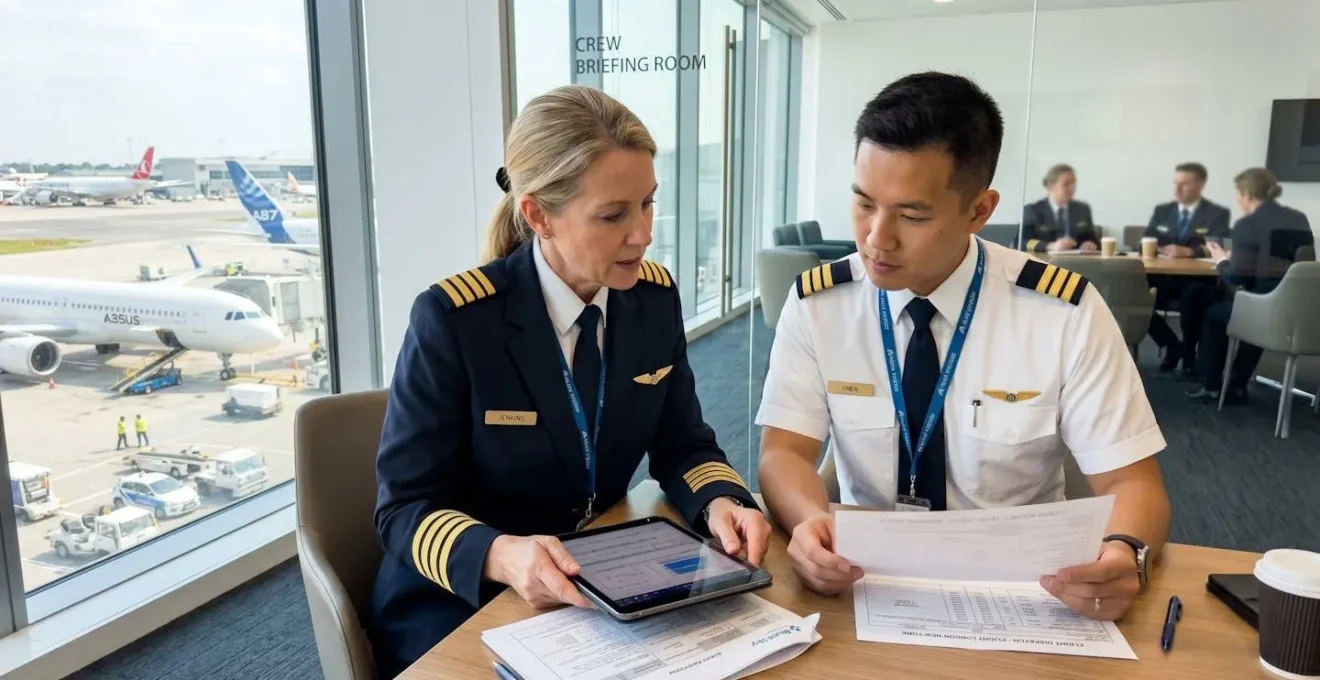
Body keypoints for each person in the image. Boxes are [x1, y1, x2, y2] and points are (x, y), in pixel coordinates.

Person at [369, 85, 771, 677]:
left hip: (604, 581)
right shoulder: (456, 321)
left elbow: (683, 444)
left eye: (648, 204)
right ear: (538, 215)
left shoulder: (651, 300)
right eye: (613, 215)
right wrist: (504, 556)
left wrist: (722, 501)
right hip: (465, 600)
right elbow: (404, 509)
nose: (643, 233)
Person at [756, 72, 1170, 622]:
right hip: (863, 585)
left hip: (1026, 593)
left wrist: (1124, 552)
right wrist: (809, 521)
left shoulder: (1061, 312)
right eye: (863, 204)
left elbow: (1132, 482)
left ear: (979, 210)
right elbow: (784, 451)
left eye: (911, 214)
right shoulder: (820, 304)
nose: (877, 237)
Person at [1187, 168, 1313, 405]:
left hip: (1266, 311)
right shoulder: (1298, 219)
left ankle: (1212, 385)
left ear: (1247, 194)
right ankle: (1237, 383)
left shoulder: (1248, 223)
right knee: (1252, 304)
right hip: (1299, 313)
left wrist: (1221, 260)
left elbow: (1235, 278)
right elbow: (1291, 263)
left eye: (1237, 194)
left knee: (1216, 313)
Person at [1144, 163, 1232, 377]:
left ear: (1200, 185)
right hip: (1163, 277)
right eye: (1176, 183)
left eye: (1184, 184)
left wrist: (1190, 251)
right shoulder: (1163, 211)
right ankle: (1173, 345)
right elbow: (1145, 241)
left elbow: (1219, 246)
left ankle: (1191, 357)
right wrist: (1153, 247)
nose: (1177, 189)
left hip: (1196, 279)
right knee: (1134, 292)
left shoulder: (1216, 213)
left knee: (1194, 295)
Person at [1022, 164, 1099, 253]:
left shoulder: (1082, 209)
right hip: (1045, 262)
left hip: (1078, 263)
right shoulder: (1033, 210)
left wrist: (1091, 244)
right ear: (1051, 185)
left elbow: (1093, 239)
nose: (1072, 189)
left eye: (1073, 184)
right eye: (1066, 184)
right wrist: (1050, 246)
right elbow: (1021, 242)